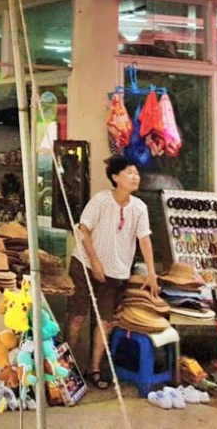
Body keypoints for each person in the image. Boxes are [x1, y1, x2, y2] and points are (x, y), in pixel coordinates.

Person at [67, 155, 159, 390]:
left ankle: (94, 368)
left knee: (105, 321)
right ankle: (65, 368)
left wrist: (152, 272)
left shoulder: (139, 208)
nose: (135, 176)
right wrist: (95, 262)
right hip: (85, 264)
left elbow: (144, 239)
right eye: (129, 172)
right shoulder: (101, 200)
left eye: (137, 173)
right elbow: (83, 230)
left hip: (116, 271)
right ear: (115, 177)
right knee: (77, 316)